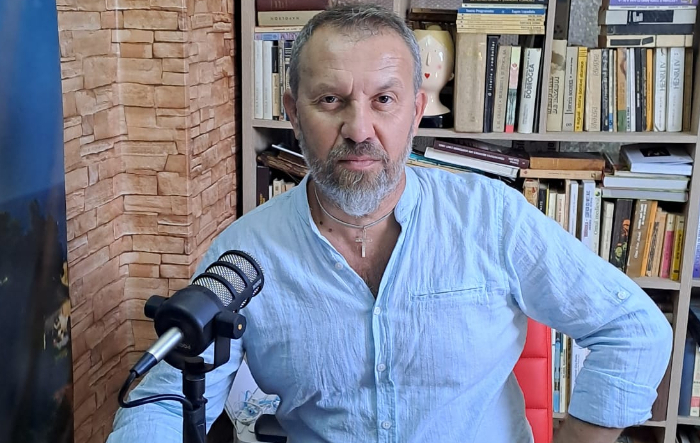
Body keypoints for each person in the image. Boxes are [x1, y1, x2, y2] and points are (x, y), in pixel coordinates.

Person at [106, 4, 673, 443]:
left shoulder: (491, 217)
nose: (359, 129)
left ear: (416, 111)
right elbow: (164, 402)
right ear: (292, 113)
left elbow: (633, 329)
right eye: (331, 100)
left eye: (383, 100)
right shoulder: (244, 255)